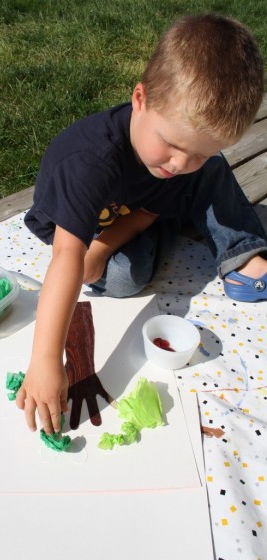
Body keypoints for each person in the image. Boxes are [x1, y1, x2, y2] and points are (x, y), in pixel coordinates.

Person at [16, 13, 267, 435]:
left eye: (199, 151)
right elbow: (66, 256)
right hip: (85, 226)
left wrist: (195, 166)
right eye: (171, 144)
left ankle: (239, 249)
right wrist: (45, 360)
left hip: (139, 212)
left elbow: (151, 205)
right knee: (122, 279)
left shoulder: (177, 160)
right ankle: (187, 221)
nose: (181, 163)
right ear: (139, 99)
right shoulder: (89, 164)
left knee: (212, 173)